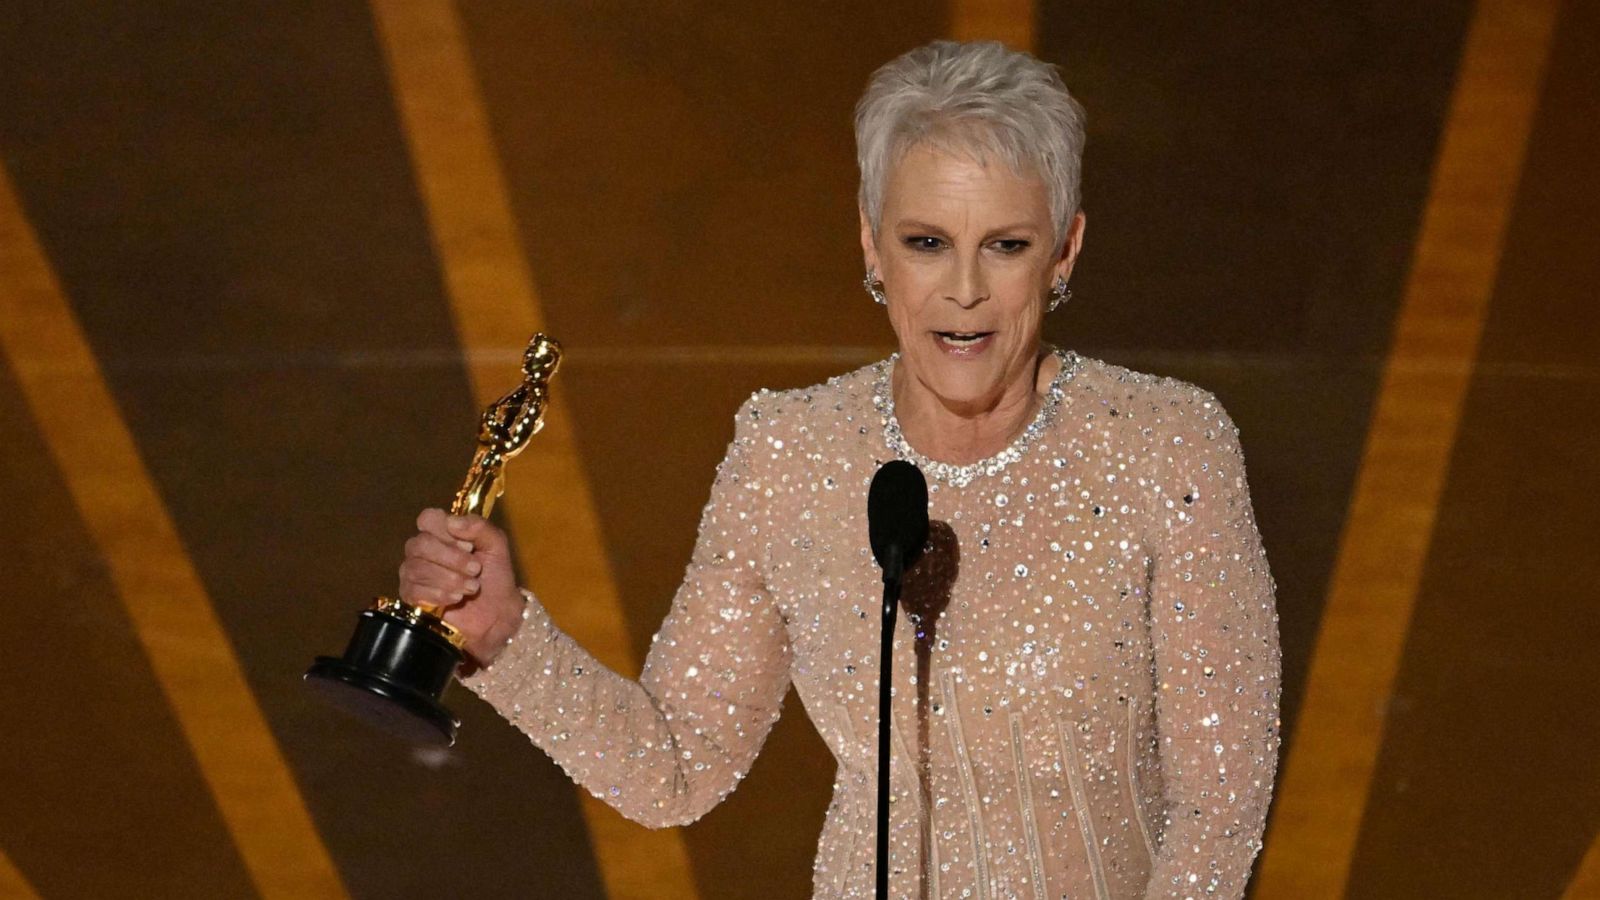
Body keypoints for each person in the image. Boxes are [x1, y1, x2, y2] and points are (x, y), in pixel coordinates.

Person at [398, 39, 1281, 900]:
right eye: (926, 241)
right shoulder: (789, 453)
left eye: (1006, 244)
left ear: (1065, 252)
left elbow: (1220, 804)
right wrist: (509, 639)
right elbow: (677, 764)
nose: (963, 289)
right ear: (871, 247)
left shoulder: (1165, 447)